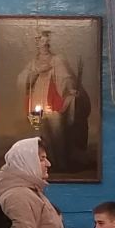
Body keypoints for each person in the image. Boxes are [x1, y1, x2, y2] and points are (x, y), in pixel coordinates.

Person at [19, 31, 73, 167]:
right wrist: (36, 72)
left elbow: (65, 78)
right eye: (40, 42)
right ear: (37, 44)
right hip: (37, 98)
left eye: (45, 42)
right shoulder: (33, 63)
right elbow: (22, 80)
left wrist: (69, 88)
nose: (43, 45)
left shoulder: (56, 60)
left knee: (57, 131)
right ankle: (41, 163)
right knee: (39, 132)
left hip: (52, 98)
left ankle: (60, 163)